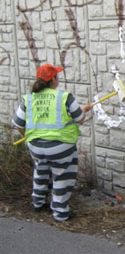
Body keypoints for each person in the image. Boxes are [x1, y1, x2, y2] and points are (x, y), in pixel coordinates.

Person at [12, 63, 92, 222]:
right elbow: (79, 119)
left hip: (35, 147)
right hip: (60, 147)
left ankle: (38, 202)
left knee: (40, 170)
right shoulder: (64, 97)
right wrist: (83, 109)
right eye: (57, 76)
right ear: (53, 79)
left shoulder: (29, 98)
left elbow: (18, 124)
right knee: (62, 175)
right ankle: (60, 212)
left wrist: (28, 136)